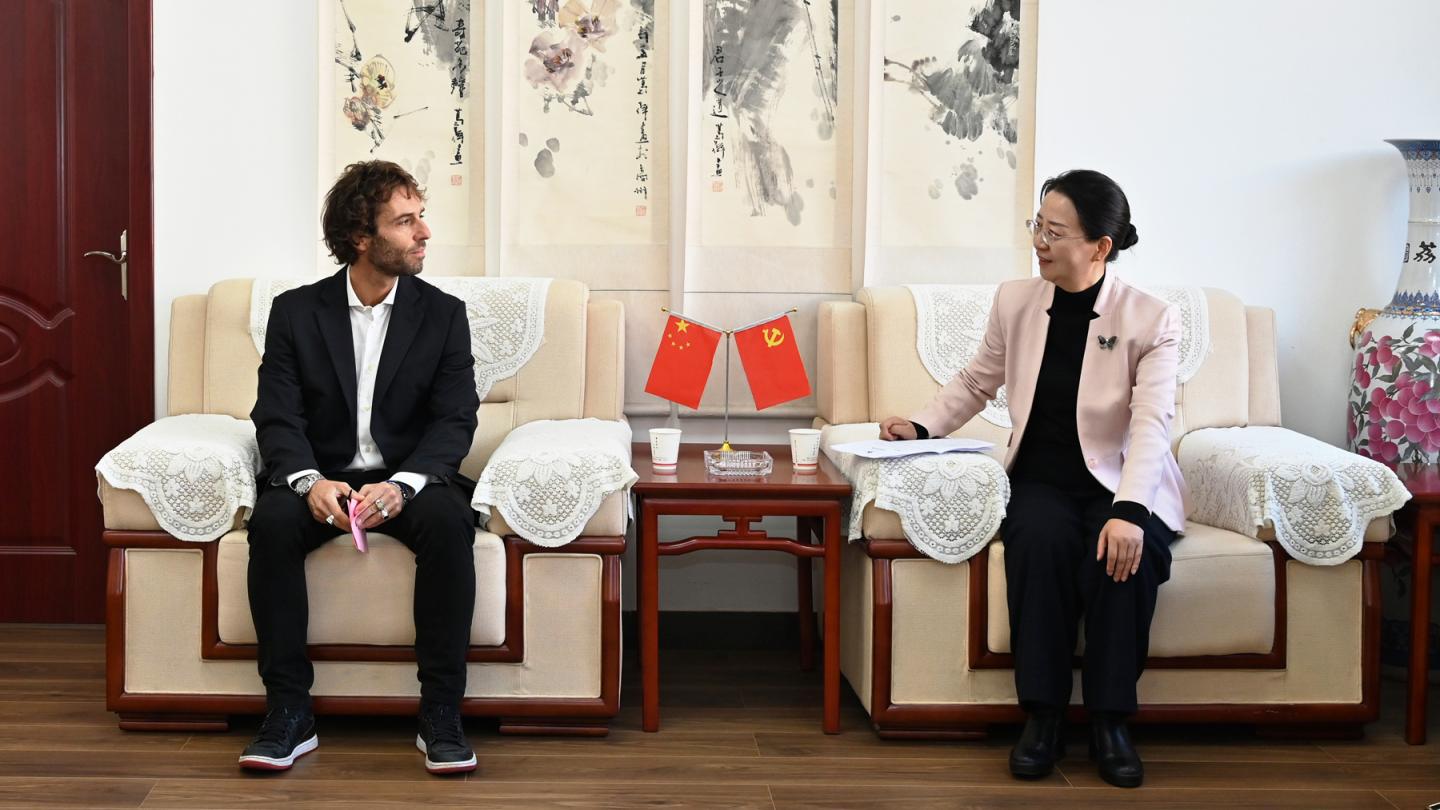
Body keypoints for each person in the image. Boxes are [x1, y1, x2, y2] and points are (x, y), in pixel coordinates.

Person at [879, 169, 1187, 788]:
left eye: (1055, 232)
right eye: (1037, 227)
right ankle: (1042, 717)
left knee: (1123, 558)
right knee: (1038, 544)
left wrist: (1131, 511)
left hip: (1122, 484)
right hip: (1041, 480)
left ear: (1100, 246)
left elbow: (1152, 422)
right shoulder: (1016, 300)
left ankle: (1110, 723)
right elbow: (977, 381)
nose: (1039, 242)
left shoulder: (1150, 319)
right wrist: (922, 426)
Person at [239, 160, 481, 775]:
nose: (424, 232)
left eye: (421, 216)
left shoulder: (444, 314)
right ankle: (288, 712)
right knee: (271, 523)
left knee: (450, 522)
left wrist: (403, 486)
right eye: (405, 221)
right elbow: (277, 414)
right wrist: (307, 481)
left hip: (407, 479)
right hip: (322, 478)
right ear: (360, 237)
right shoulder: (296, 312)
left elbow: (455, 419)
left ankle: (441, 712)